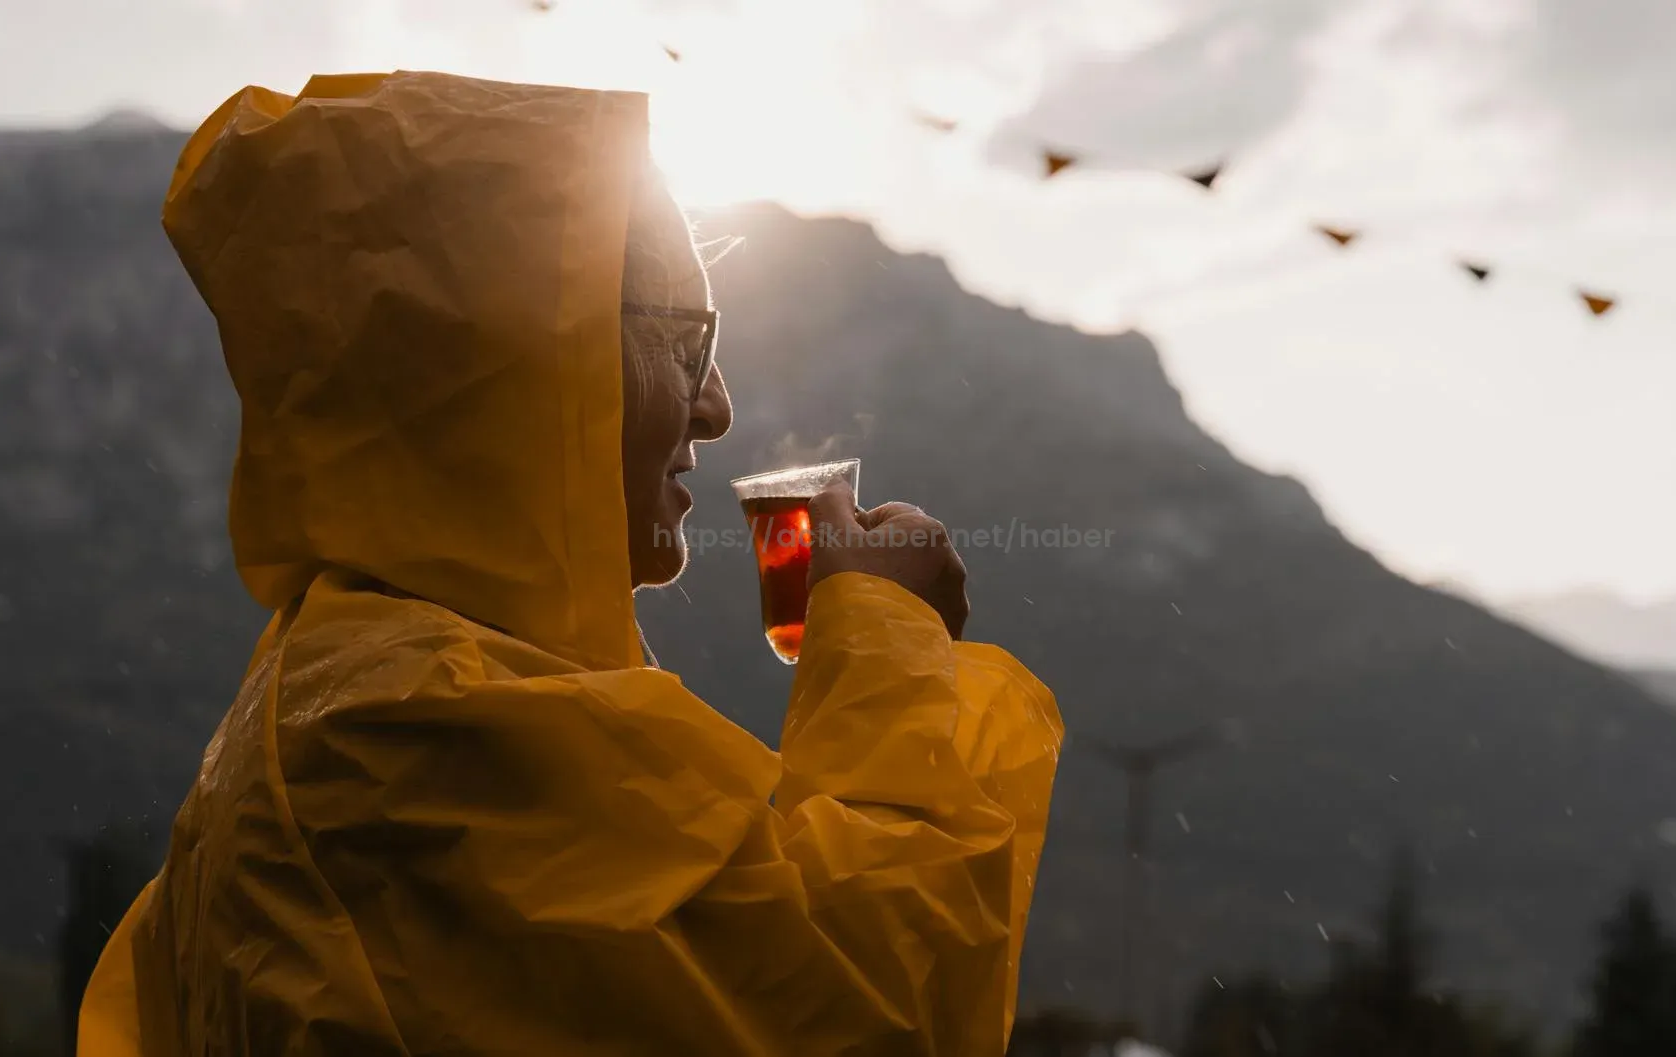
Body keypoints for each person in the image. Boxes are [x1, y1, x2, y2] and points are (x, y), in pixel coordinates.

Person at [77, 70, 1063, 1056]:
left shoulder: (351, 691)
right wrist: (890, 635)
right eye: (682, 337)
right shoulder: (411, 725)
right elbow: (873, 1005)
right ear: (515, 353)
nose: (714, 405)